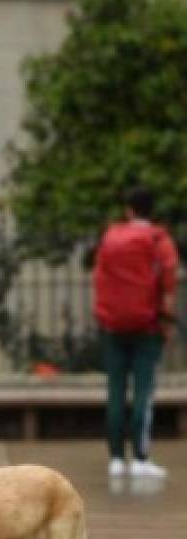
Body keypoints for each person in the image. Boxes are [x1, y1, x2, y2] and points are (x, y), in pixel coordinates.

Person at [93, 185, 179, 480]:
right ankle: (141, 458)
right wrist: (166, 321)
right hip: (148, 327)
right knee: (143, 391)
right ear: (151, 210)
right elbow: (169, 285)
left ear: (128, 210)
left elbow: (99, 277)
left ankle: (116, 458)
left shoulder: (111, 237)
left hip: (113, 326)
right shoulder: (158, 240)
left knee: (115, 391)